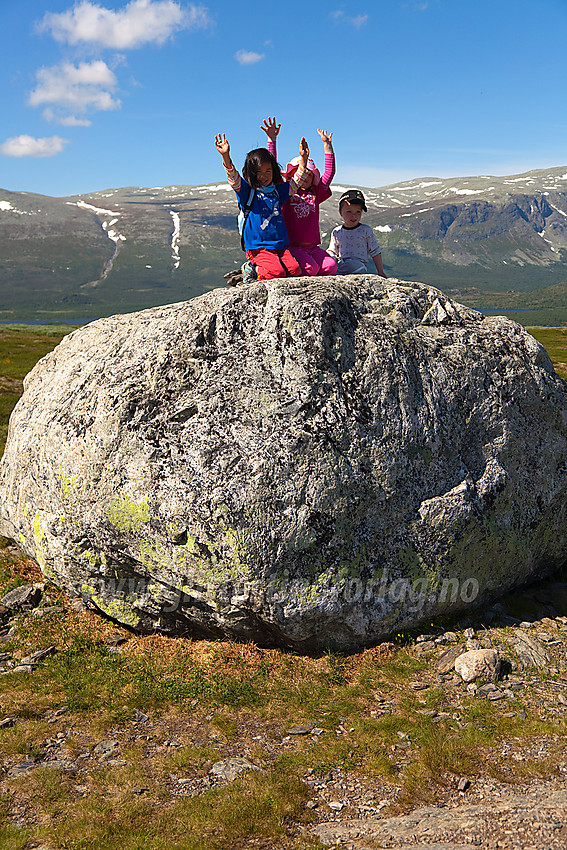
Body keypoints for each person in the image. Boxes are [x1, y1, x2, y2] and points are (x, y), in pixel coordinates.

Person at [214, 132, 312, 281]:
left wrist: (304, 160)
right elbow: (233, 178)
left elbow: (296, 183)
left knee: (295, 271)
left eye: (268, 171)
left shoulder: (278, 192)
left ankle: (260, 268)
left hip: (280, 246)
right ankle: (252, 268)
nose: (264, 176)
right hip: (258, 247)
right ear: (252, 173)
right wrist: (226, 157)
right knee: (276, 273)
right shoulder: (248, 192)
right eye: (259, 172)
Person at [261, 117, 338, 276]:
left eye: (308, 174)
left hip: (312, 247)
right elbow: (273, 169)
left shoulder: (316, 194)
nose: (304, 177)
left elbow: (329, 173)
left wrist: (327, 146)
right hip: (292, 246)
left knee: (330, 267)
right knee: (311, 269)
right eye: (300, 172)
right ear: (291, 175)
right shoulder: (285, 192)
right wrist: (272, 140)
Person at [327, 189, 387, 276]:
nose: (354, 215)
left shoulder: (365, 230)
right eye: (349, 211)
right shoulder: (337, 232)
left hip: (359, 265)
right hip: (342, 264)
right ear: (341, 212)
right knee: (333, 266)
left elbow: (375, 251)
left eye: (358, 212)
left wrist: (380, 272)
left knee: (354, 265)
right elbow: (332, 251)